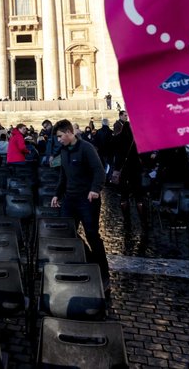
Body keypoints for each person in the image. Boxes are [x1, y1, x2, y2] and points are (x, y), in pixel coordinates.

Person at [50, 118, 109, 283]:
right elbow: (63, 175)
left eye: (61, 136)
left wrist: (95, 189)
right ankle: (88, 260)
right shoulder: (63, 150)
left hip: (87, 199)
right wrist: (57, 194)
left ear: (70, 133)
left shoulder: (86, 148)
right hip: (69, 198)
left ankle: (103, 273)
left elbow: (99, 171)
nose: (59, 139)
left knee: (92, 235)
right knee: (67, 232)